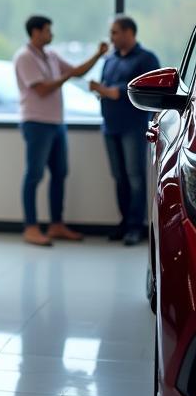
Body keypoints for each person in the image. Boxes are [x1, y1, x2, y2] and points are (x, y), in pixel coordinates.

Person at [14, 15, 108, 247]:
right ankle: (31, 228)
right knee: (34, 175)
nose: (51, 34)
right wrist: (65, 77)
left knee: (60, 173)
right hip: (36, 123)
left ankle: (56, 225)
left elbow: (77, 72)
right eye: (47, 30)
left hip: (56, 123)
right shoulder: (24, 57)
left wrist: (97, 55)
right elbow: (43, 89)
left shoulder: (51, 55)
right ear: (35, 32)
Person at [89, 15, 160, 246]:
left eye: (115, 32)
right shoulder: (110, 61)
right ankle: (123, 223)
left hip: (134, 126)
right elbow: (106, 89)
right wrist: (104, 91)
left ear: (129, 33)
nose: (111, 37)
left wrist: (108, 91)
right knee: (119, 178)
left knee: (135, 177)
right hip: (111, 126)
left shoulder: (146, 59)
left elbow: (141, 93)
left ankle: (134, 227)